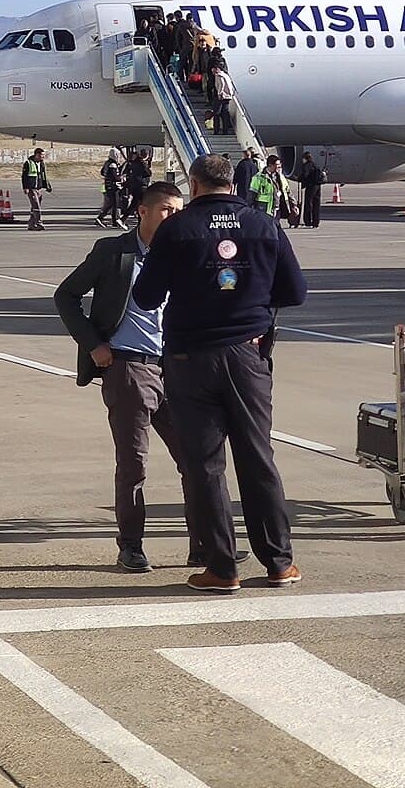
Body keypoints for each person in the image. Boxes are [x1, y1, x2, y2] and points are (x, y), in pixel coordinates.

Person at [133, 153, 307, 591]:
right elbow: (295, 291)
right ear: (232, 184)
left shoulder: (178, 229)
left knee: (205, 463)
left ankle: (222, 567)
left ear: (193, 186)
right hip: (247, 355)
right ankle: (279, 561)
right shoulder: (264, 225)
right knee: (257, 456)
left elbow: (147, 295)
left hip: (191, 357)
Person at [55, 181, 206, 572]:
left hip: (176, 367)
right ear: (144, 211)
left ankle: (203, 545)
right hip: (128, 368)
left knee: (197, 458)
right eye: (167, 210)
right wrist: (93, 344)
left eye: (179, 210)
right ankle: (132, 546)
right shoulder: (113, 253)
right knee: (134, 462)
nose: (175, 217)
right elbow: (66, 295)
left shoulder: (185, 254)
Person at [21, 148, 51, 231]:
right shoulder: (28, 163)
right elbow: (24, 176)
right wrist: (25, 187)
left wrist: (47, 186)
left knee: (34, 207)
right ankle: (39, 223)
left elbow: (43, 175)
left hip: (38, 188)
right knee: (36, 205)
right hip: (31, 188)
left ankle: (31, 224)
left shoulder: (41, 164)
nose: (43, 157)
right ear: (37, 155)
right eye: (42, 155)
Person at [96, 149, 126, 228]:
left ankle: (111, 220)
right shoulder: (113, 165)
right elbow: (115, 177)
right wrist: (121, 177)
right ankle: (107, 219)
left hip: (108, 186)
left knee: (112, 204)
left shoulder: (107, 163)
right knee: (115, 204)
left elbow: (102, 172)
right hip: (113, 187)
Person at [296, 152, 325, 228]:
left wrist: (299, 179)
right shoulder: (315, 164)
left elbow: (305, 175)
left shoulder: (307, 165)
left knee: (308, 203)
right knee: (316, 203)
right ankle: (316, 222)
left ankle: (308, 221)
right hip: (318, 185)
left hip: (311, 186)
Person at [211, 59, 236, 136]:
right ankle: (225, 131)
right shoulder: (225, 75)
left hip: (222, 96)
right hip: (228, 96)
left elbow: (221, 85)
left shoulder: (219, 76)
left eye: (213, 69)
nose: (212, 71)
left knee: (216, 113)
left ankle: (216, 131)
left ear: (217, 69)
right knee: (225, 113)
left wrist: (219, 93)